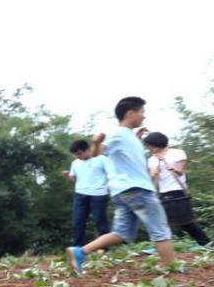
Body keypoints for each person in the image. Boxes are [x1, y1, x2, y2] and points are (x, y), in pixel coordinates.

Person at [67, 97, 175, 274]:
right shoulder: (118, 134)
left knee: (122, 234)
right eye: (141, 112)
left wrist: (137, 137)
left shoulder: (129, 136)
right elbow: (97, 153)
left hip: (123, 191)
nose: (144, 116)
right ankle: (172, 269)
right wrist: (96, 143)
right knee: (160, 229)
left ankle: (80, 252)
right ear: (130, 113)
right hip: (137, 190)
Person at [144, 132, 210, 246]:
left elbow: (180, 172)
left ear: (156, 144)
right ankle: (161, 246)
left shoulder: (177, 153)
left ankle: (207, 244)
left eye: (150, 145)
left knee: (187, 222)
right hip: (163, 192)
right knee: (161, 222)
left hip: (178, 190)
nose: (150, 148)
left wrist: (173, 168)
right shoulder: (152, 159)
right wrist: (154, 173)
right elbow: (152, 176)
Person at [63, 140, 110, 247]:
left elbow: (111, 174)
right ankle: (77, 249)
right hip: (80, 194)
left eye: (79, 153)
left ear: (88, 150)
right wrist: (67, 177)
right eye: (75, 154)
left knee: (100, 222)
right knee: (77, 222)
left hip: (99, 194)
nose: (77, 156)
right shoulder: (75, 163)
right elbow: (74, 180)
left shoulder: (101, 159)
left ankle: (104, 249)